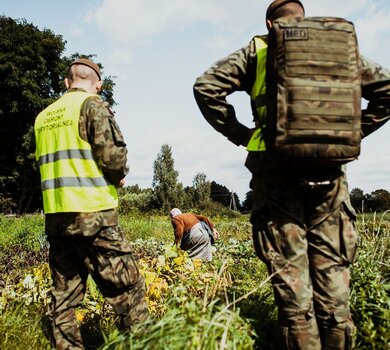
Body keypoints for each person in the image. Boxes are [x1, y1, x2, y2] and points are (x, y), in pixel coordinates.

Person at [193, 1, 390, 349]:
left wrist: (241, 134)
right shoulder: (336, 47)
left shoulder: (258, 50)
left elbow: (206, 87)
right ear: (303, 17)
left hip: (276, 176)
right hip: (329, 178)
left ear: (270, 22)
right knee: (335, 296)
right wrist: (352, 133)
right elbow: (387, 91)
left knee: (295, 301)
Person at [34, 58, 149, 349]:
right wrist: (119, 177)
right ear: (98, 85)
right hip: (96, 219)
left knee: (64, 299)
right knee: (129, 292)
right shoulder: (93, 105)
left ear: (66, 82)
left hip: (58, 221)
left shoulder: (43, 117)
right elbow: (113, 159)